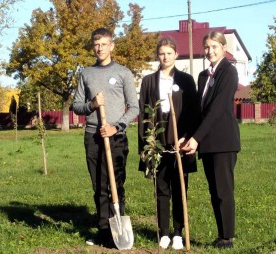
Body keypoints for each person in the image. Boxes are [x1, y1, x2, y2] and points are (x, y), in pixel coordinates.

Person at [72, 27, 139, 247]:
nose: (99, 48)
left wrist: (116, 126)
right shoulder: (86, 74)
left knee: (116, 184)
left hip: (115, 136)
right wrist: (92, 105)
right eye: (96, 44)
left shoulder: (123, 73)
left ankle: (117, 227)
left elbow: (134, 107)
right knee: (99, 185)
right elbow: (76, 106)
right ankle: (103, 230)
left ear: (112, 46)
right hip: (93, 135)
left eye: (104, 44)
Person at [181, 31, 241, 249]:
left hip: (224, 141)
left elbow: (217, 109)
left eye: (214, 46)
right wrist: (188, 135)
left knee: (224, 191)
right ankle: (221, 235)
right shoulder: (203, 76)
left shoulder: (229, 72)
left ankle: (227, 237)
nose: (210, 51)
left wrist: (196, 138)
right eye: (207, 47)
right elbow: (199, 111)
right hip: (206, 142)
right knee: (214, 190)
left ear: (223, 48)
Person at [138, 37, 198, 250]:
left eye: (169, 53)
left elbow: (193, 112)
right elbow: (144, 115)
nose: (165, 57)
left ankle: (178, 232)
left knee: (180, 188)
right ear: (157, 55)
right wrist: (144, 146)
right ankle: (164, 232)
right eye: (161, 53)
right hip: (158, 140)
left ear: (176, 55)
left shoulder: (186, 80)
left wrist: (188, 136)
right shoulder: (148, 81)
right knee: (161, 187)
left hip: (180, 139)